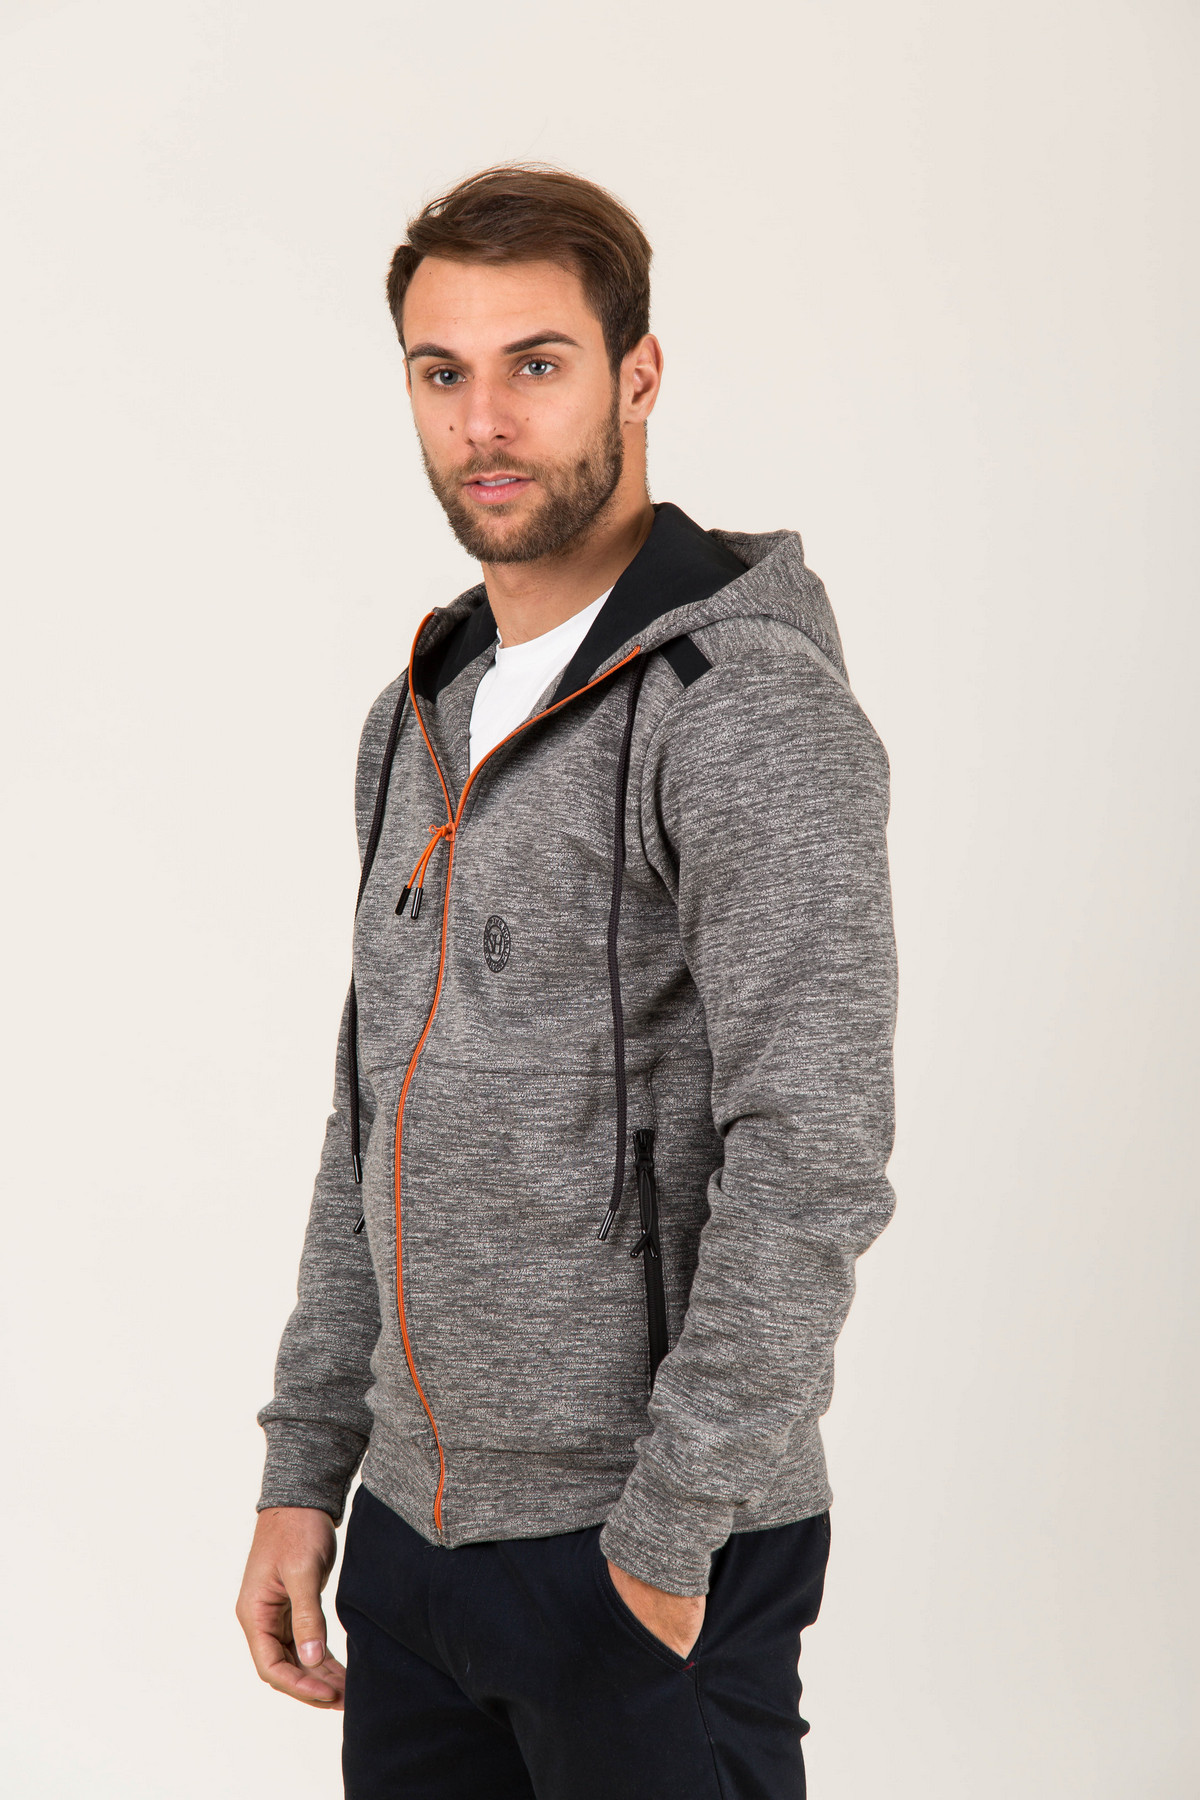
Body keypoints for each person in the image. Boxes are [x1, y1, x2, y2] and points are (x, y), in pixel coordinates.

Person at [236, 164, 897, 1800]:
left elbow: (812, 1157)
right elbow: (370, 1111)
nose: (485, 422)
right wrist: (309, 1468)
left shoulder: (741, 710)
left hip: (642, 1552)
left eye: (535, 363)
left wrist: (668, 1538)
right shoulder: (421, 708)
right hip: (411, 1546)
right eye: (441, 371)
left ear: (637, 374)